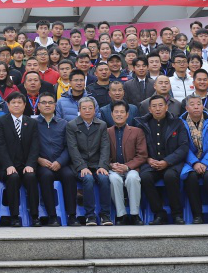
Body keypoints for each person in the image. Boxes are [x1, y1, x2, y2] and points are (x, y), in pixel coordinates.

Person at [138, 95, 188, 225]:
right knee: (145, 177)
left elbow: (183, 147)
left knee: (170, 176)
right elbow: (138, 147)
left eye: (160, 105)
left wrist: (167, 161)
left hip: (172, 163)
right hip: (151, 163)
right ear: (149, 109)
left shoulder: (177, 123)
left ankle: (177, 214)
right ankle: (159, 214)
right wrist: (148, 159)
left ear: (166, 107)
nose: (157, 109)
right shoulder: (142, 124)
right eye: (154, 106)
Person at [0, 92, 40, 227]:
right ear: (8, 105)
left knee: (31, 177)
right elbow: (0, 146)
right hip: (7, 166)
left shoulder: (31, 122)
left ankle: (34, 216)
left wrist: (30, 164)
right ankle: (14, 217)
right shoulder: (0, 122)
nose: (16, 105)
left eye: (19, 102)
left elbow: (35, 146)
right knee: (13, 178)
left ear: (25, 105)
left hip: (26, 164)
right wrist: (8, 165)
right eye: (13, 102)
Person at [67, 96, 112, 226]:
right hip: (79, 165)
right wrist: (82, 166)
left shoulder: (102, 125)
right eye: (84, 108)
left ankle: (105, 215)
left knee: (104, 178)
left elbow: (105, 147)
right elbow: (73, 148)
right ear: (79, 110)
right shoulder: (72, 125)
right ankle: (90, 215)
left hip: (97, 163)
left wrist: (103, 165)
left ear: (95, 109)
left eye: (90, 108)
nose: (87, 111)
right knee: (88, 179)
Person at [34, 93, 77, 227]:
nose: (47, 105)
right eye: (44, 102)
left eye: (50, 102)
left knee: (69, 175)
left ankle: (72, 216)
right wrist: (38, 159)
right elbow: (28, 147)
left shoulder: (64, 124)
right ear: (38, 106)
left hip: (61, 163)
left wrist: (60, 161)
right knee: (46, 176)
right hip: (42, 164)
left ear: (55, 105)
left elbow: (69, 147)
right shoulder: (32, 124)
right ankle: (52, 216)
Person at [180, 95, 208, 224]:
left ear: (203, 106)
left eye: (199, 104)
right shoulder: (180, 123)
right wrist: (194, 162)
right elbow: (182, 146)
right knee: (190, 177)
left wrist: (205, 162)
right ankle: (197, 215)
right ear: (187, 108)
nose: (196, 107)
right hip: (189, 162)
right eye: (192, 104)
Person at [105, 103, 147, 225]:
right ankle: (121, 215)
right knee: (114, 179)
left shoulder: (137, 131)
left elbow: (142, 155)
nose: (119, 114)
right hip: (113, 169)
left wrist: (127, 166)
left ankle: (135, 214)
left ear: (127, 115)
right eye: (116, 112)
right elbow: (102, 153)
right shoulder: (106, 132)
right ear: (111, 114)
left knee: (133, 178)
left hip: (131, 168)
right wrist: (111, 165)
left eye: (122, 112)